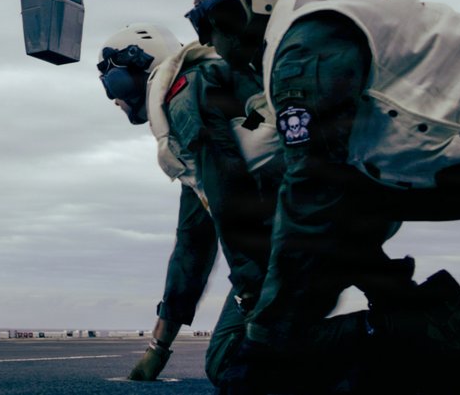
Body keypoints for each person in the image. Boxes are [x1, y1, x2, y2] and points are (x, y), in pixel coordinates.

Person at [183, 0, 460, 393]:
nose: (209, 40)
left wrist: (269, 337)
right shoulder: (317, 5)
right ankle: (427, 328)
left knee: (323, 212)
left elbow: (311, 190)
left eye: (211, 22)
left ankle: (427, 333)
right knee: (350, 204)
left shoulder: (301, 52)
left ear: (240, 11)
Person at [98, 23, 375, 390]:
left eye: (113, 82)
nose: (112, 97)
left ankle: (404, 334)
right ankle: (406, 329)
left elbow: (230, 193)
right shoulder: (203, 91)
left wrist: (250, 290)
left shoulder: (183, 96)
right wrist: (158, 347)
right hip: (324, 213)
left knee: (232, 360)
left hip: (303, 226)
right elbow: (192, 244)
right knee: (251, 353)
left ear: (142, 64)